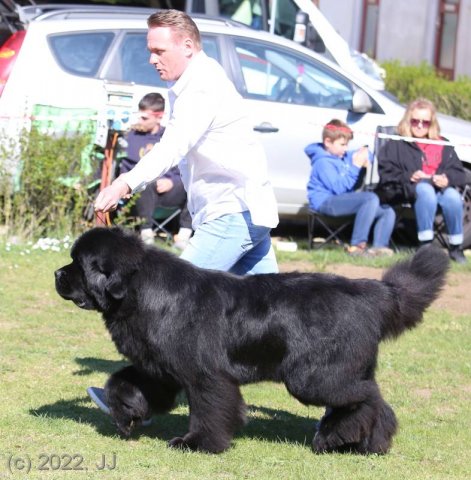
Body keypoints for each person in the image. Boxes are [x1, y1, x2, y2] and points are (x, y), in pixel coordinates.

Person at [94, 9, 279, 275]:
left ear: (188, 46)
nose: (151, 59)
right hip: (245, 211)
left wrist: (124, 183)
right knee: (269, 308)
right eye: (151, 51)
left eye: (160, 51)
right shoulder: (197, 78)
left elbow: (171, 146)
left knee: (177, 296)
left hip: (232, 212)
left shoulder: (201, 87)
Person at [376, 98, 467, 264]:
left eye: (425, 122)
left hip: (439, 190)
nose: (419, 125)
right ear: (408, 120)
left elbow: (459, 174)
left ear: (431, 123)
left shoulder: (442, 143)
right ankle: (425, 245)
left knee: (453, 195)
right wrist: (409, 175)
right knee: (425, 190)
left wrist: (447, 179)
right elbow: (385, 171)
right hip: (407, 190)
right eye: (415, 121)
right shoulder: (397, 143)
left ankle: (455, 247)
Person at [305, 119, 395, 256]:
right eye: (342, 144)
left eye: (347, 145)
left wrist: (365, 156)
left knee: (387, 210)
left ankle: (379, 248)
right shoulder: (322, 163)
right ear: (328, 142)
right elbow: (339, 189)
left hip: (341, 200)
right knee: (369, 199)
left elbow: (362, 153)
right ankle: (357, 246)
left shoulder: (342, 155)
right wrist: (356, 166)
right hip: (325, 202)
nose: (346, 148)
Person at [118, 92, 192, 248]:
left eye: (145, 118)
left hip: (171, 190)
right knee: (144, 182)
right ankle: (146, 235)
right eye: (139, 116)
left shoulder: (169, 137)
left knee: (193, 182)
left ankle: (184, 236)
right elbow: (125, 168)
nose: (140, 121)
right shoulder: (131, 137)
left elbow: (183, 165)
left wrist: (172, 181)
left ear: (159, 117)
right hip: (141, 193)